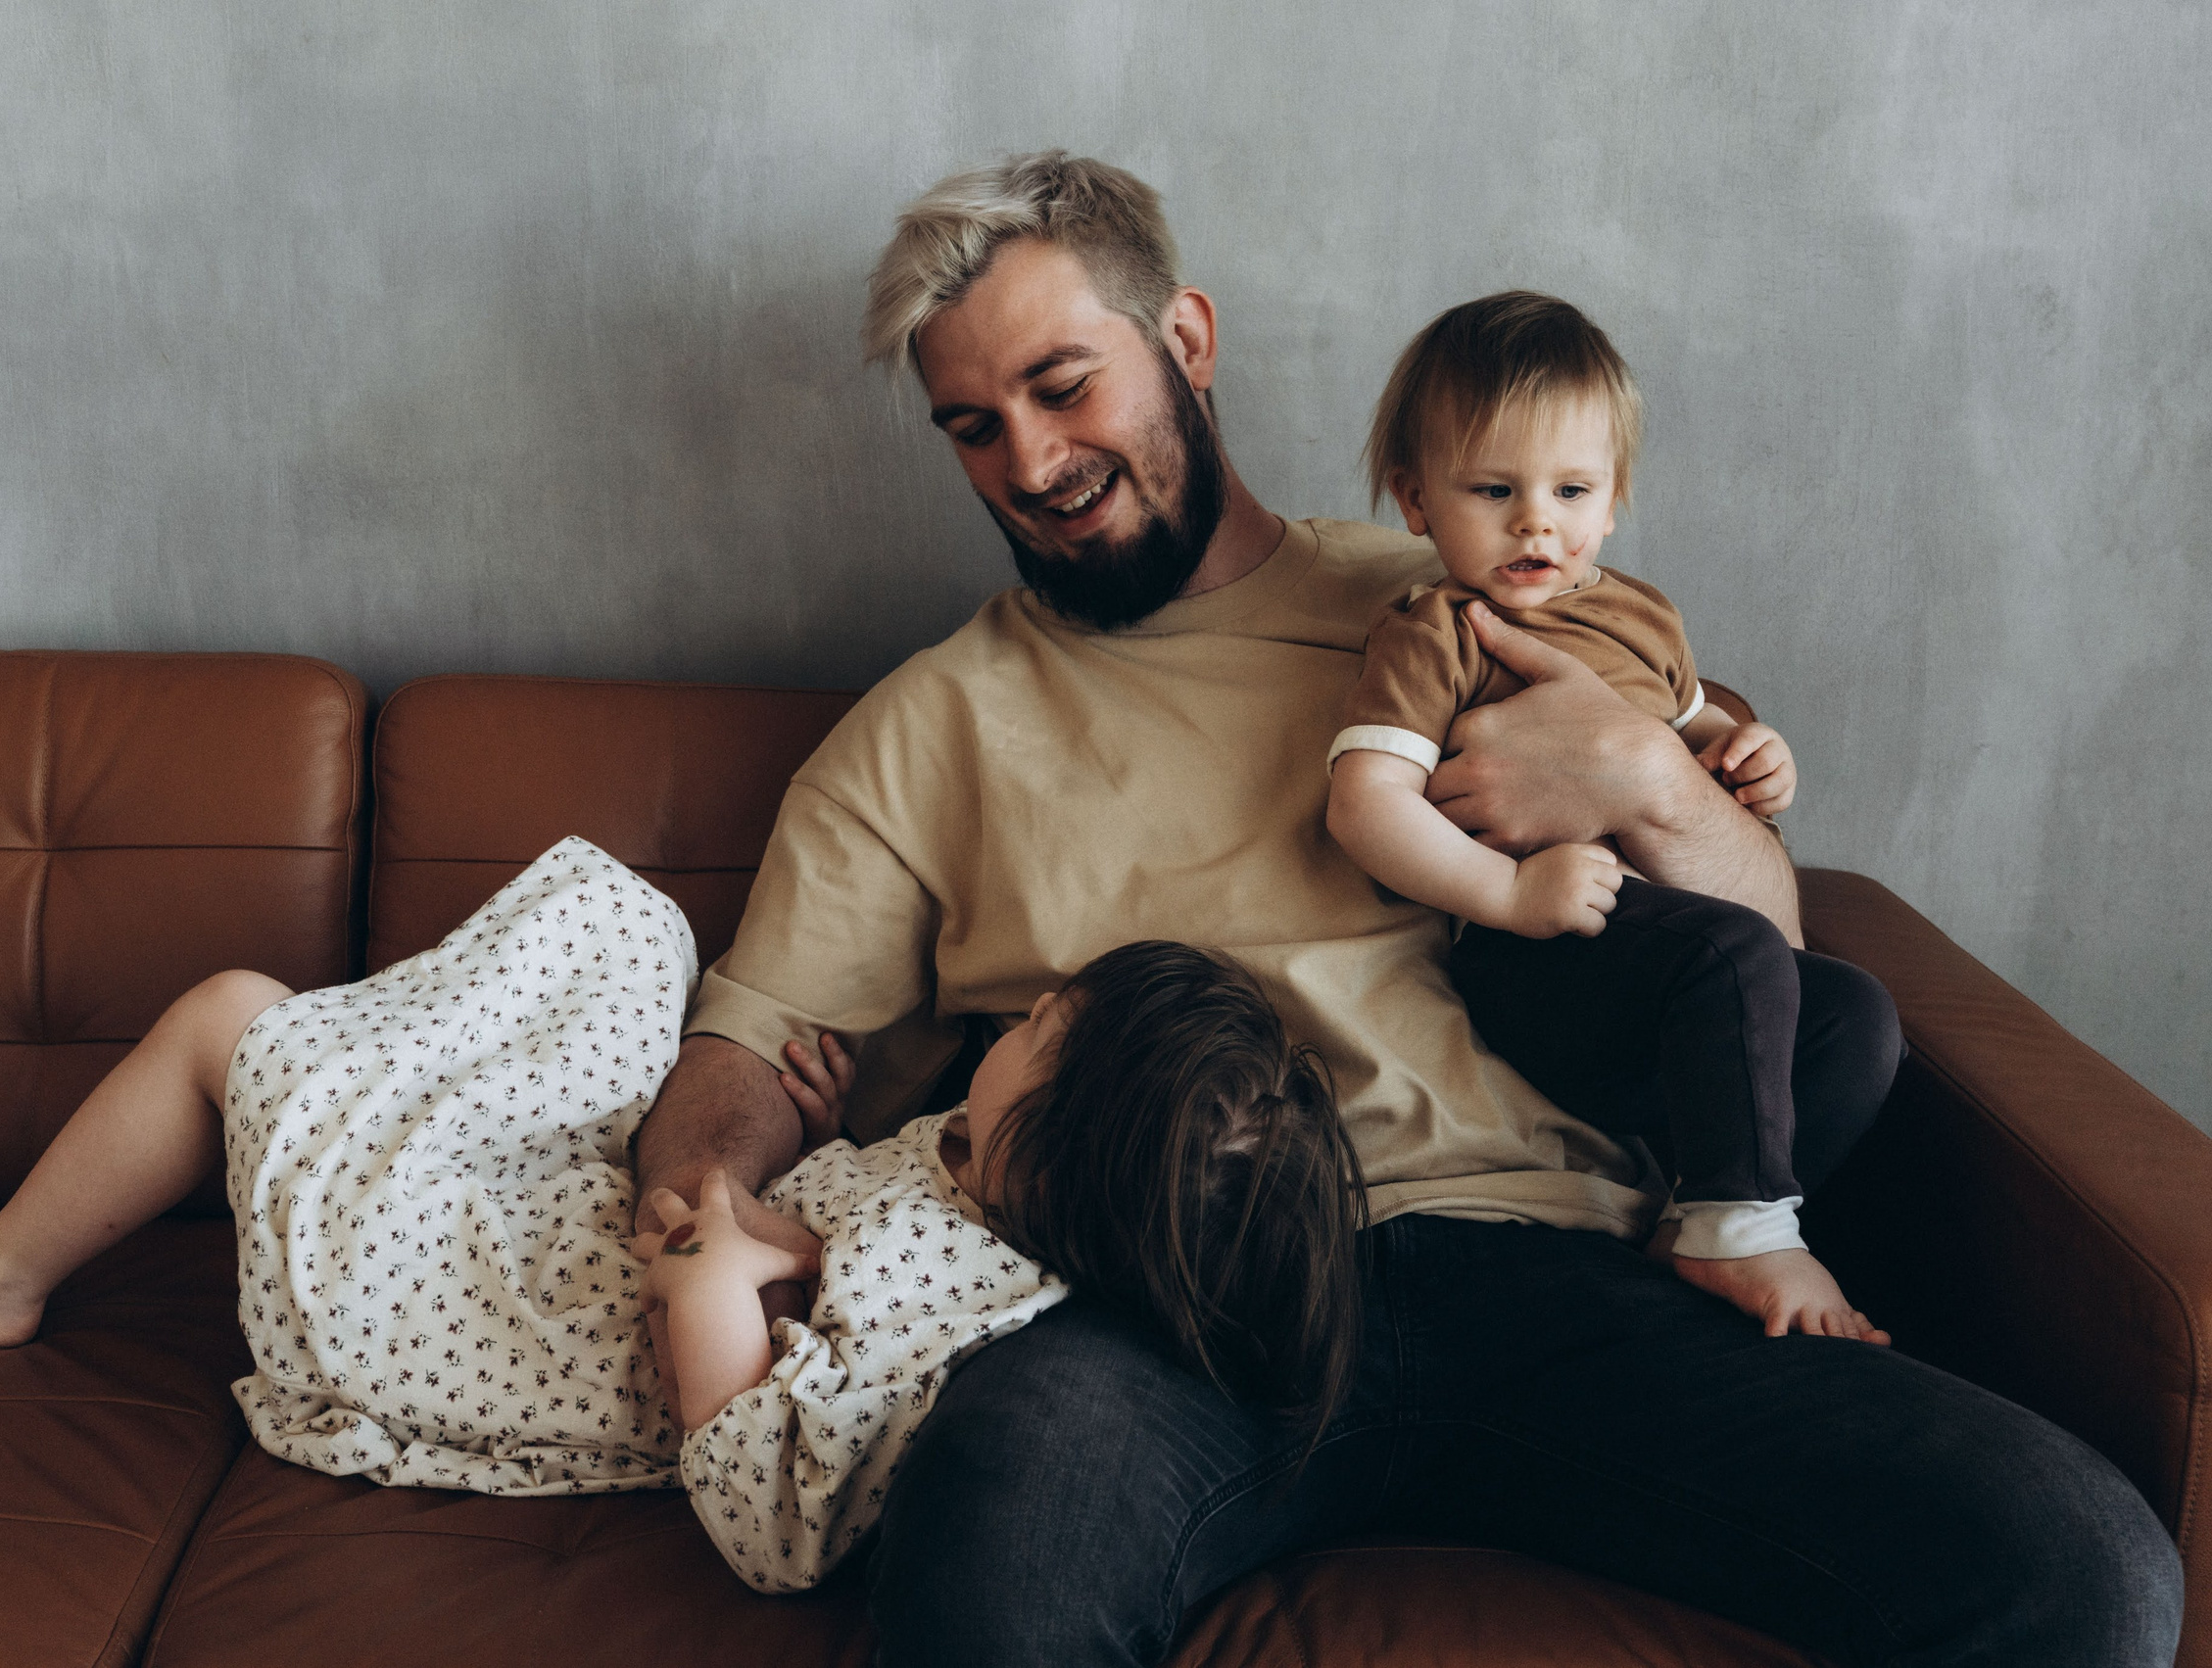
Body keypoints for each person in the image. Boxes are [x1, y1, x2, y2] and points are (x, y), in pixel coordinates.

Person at [632, 151, 2182, 1664]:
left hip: (1575, 1262)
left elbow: (1757, 951)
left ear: (1186, 340)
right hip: (1179, 1309)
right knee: (995, 1555)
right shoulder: (927, 727)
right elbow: (748, 1055)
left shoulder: (1459, 599)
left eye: (1062, 384)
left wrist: (1654, 776)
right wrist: (714, 1208)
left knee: (2082, 1564)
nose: (1030, 463)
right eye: (972, 425)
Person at [0, 837, 1364, 1594]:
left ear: (1056, 1129)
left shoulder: (944, 1287)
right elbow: (821, 1250)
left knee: (234, 1017)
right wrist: (807, 1162)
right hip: (561, 1230)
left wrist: (719, 1270)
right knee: (633, 927)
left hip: (476, 1307)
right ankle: (355, 1085)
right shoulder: (969, 1191)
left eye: (1053, 1020)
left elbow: (767, 1509)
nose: (1028, 1001)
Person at [1323, 290, 1898, 1342]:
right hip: (1541, 960)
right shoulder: (1437, 633)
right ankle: (1745, 1233)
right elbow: (1363, 807)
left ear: (1613, 497)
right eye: (1493, 489)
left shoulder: (1641, 612)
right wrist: (1507, 889)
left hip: (1670, 973)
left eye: (1570, 488)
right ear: (1414, 499)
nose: (1536, 520)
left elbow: (1693, 725)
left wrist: (1746, 749)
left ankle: (1701, 1215)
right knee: (1730, 955)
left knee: (1854, 1015)